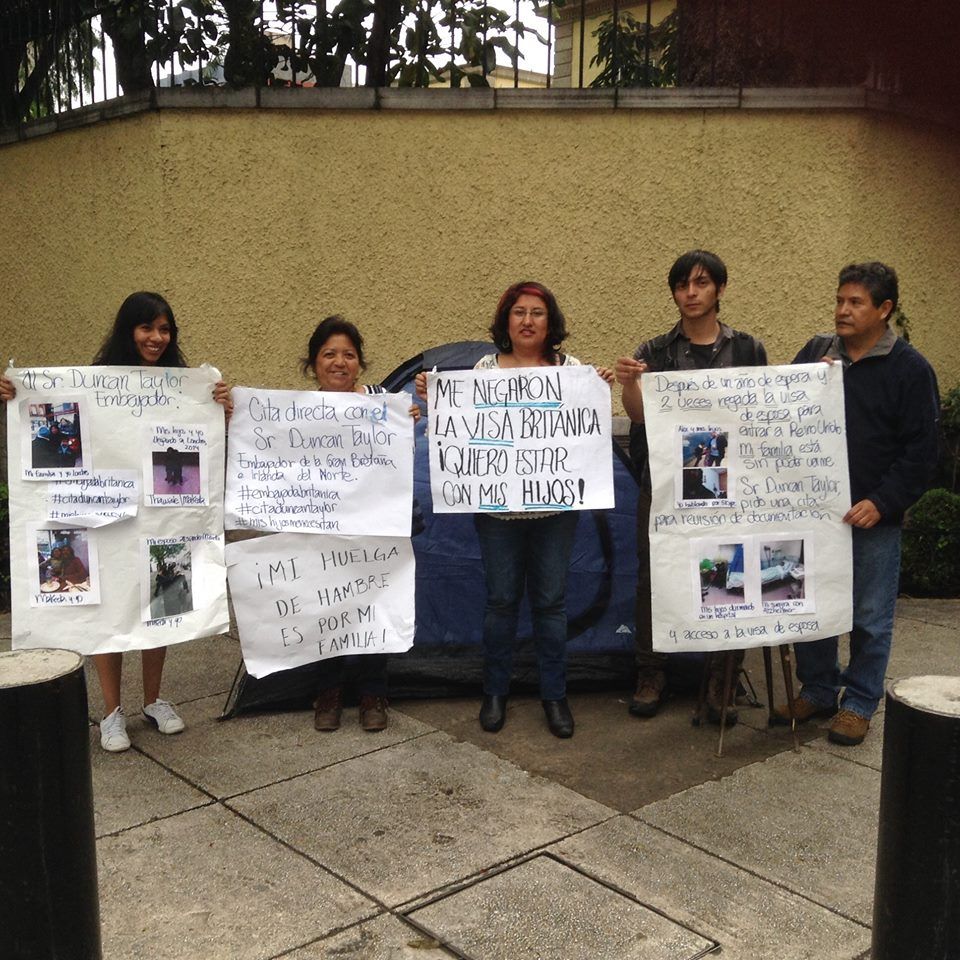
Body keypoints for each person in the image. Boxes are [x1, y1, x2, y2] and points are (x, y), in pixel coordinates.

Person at [1, 291, 233, 752]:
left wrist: (219, 405)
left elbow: (206, 439)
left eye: (165, 329)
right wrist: (15, 394)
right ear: (129, 330)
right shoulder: (94, 382)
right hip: (104, 514)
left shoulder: (182, 386)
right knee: (107, 605)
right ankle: (111, 713)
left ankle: (154, 700)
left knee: (162, 601)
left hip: (161, 518)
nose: (157, 337)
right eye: (147, 327)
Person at [416, 281, 613, 739]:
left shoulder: (573, 370)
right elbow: (461, 424)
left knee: (551, 604)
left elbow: (585, 430)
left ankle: (555, 694)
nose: (528, 321)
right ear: (506, 320)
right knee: (501, 602)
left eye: (538, 313)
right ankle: (495, 691)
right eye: (519, 312)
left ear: (551, 322)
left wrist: (598, 389)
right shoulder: (485, 368)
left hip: (556, 512)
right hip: (497, 515)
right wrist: (436, 394)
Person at [775, 262, 939, 746]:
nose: (842, 311)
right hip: (814, 513)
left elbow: (922, 452)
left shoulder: (910, 369)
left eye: (855, 303)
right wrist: (804, 383)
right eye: (840, 300)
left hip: (872, 517)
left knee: (869, 615)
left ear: (884, 310)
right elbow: (777, 411)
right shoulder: (817, 351)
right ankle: (819, 689)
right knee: (809, 604)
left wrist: (882, 501)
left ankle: (860, 701)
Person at [615, 250, 767, 724]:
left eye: (701, 283)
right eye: (683, 285)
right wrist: (629, 384)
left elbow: (764, 411)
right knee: (653, 578)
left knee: (726, 575)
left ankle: (722, 679)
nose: (692, 293)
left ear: (720, 289)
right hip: (663, 484)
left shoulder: (748, 350)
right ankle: (651, 672)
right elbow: (639, 416)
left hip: (729, 487)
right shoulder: (653, 351)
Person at [305, 315, 421, 734]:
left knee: (373, 605)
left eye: (349, 355)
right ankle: (329, 692)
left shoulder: (382, 402)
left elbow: (399, 457)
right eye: (329, 354)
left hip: (376, 525)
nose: (340, 362)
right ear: (314, 363)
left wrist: (407, 423)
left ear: (360, 363)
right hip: (324, 528)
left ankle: (374, 692)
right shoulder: (294, 412)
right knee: (328, 605)